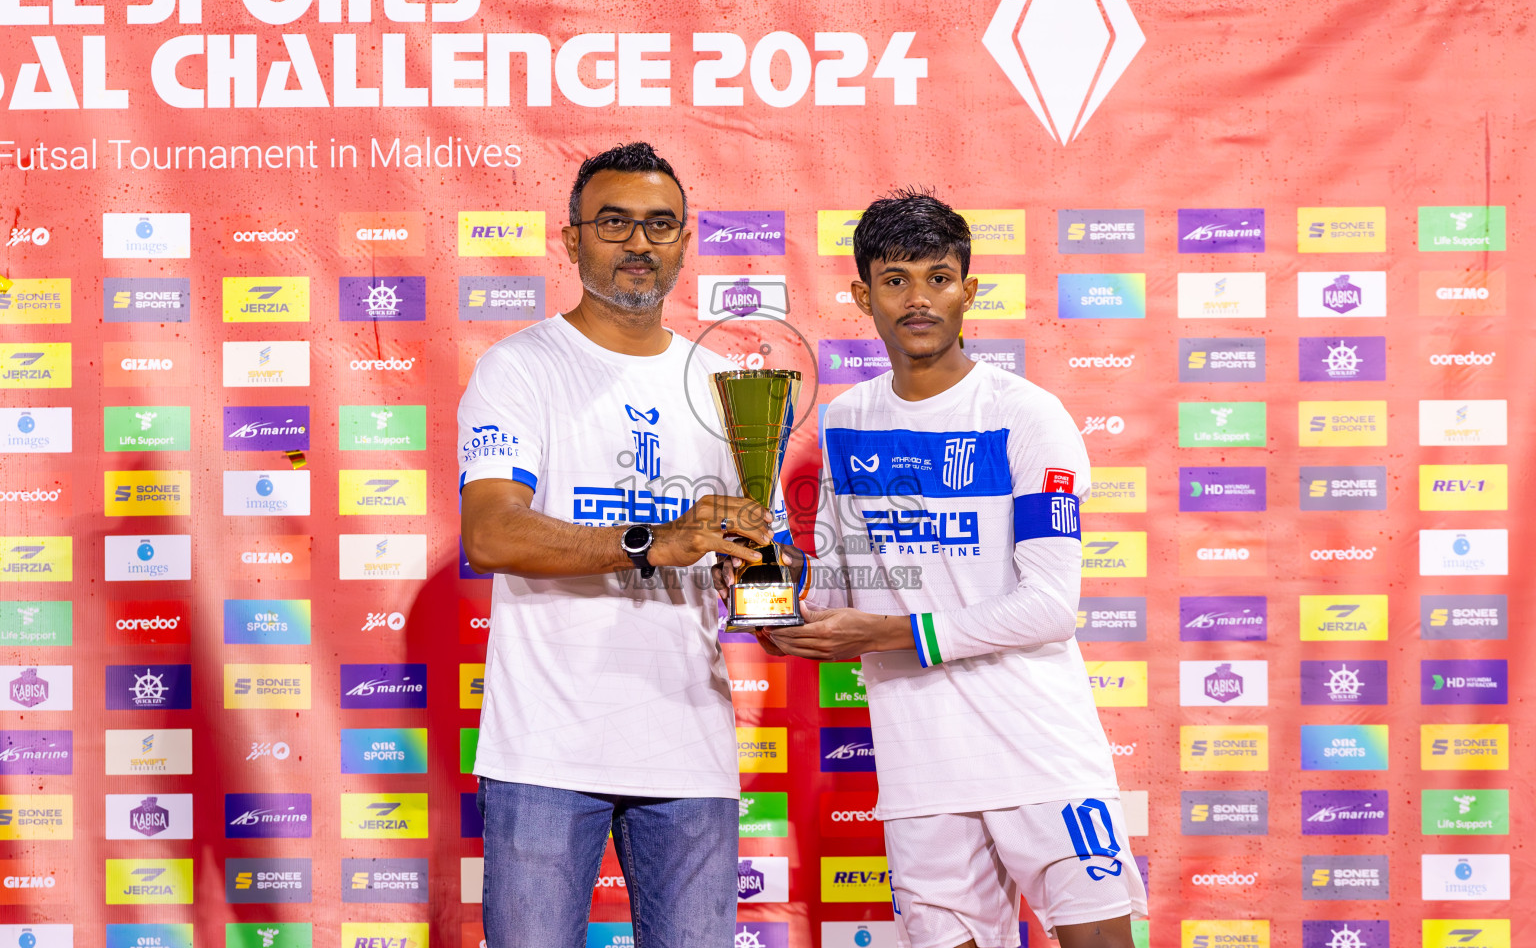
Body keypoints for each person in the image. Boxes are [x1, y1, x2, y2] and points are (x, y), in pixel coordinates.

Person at [720, 190, 1145, 948]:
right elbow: (850, 594)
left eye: (939, 278)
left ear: (968, 290)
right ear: (863, 295)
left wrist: (885, 629)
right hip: (922, 765)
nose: (919, 300)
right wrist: (779, 605)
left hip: (1040, 751)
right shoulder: (846, 420)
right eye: (896, 280)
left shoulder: (1027, 415)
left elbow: (1048, 607)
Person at [459, 142, 776, 947]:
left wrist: (767, 572)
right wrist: (650, 542)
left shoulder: (725, 382)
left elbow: (739, 551)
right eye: (614, 224)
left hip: (688, 748)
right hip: (545, 751)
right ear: (572, 241)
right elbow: (492, 531)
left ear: (683, 241)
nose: (639, 243)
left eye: (660, 226)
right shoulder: (520, 367)